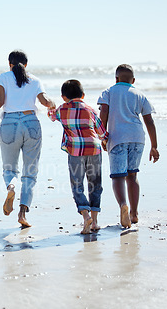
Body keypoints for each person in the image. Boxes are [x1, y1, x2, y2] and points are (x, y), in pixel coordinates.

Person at [0, 50, 55, 228]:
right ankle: (22, 214)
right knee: (30, 172)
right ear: (26, 65)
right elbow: (44, 101)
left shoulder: (2, 77)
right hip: (31, 123)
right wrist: (53, 103)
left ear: (9, 63)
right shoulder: (34, 80)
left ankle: (11, 188)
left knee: (10, 168)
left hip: (9, 123)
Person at [97, 64, 159, 228]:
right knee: (132, 175)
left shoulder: (108, 92)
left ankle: (123, 205)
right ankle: (134, 213)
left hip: (117, 138)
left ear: (116, 79)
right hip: (138, 138)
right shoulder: (139, 94)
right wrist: (154, 146)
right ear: (133, 80)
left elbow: (103, 112)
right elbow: (149, 121)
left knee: (118, 176)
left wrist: (102, 136)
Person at [48, 80, 109, 234]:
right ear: (83, 95)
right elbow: (101, 131)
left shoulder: (62, 110)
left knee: (77, 185)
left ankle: (85, 215)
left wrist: (50, 108)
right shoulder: (90, 110)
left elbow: (51, 115)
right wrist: (104, 140)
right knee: (95, 184)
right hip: (94, 149)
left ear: (63, 97)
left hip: (75, 152)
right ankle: (94, 222)